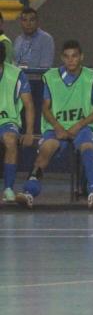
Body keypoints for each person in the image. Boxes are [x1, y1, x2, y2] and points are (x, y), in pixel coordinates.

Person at [17, 40, 93, 209]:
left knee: (87, 146)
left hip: (82, 127)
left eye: (74, 56)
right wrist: (58, 127)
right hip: (56, 127)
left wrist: (79, 125)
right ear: (62, 58)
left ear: (81, 57)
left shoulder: (91, 77)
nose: (71, 60)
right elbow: (45, 107)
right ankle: (30, 191)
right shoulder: (51, 77)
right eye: (67, 56)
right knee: (47, 148)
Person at [0, 41, 34, 203]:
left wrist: (29, 132)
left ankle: (8, 188)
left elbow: (29, 105)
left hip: (8, 121)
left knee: (11, 140)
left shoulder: (16, 74)